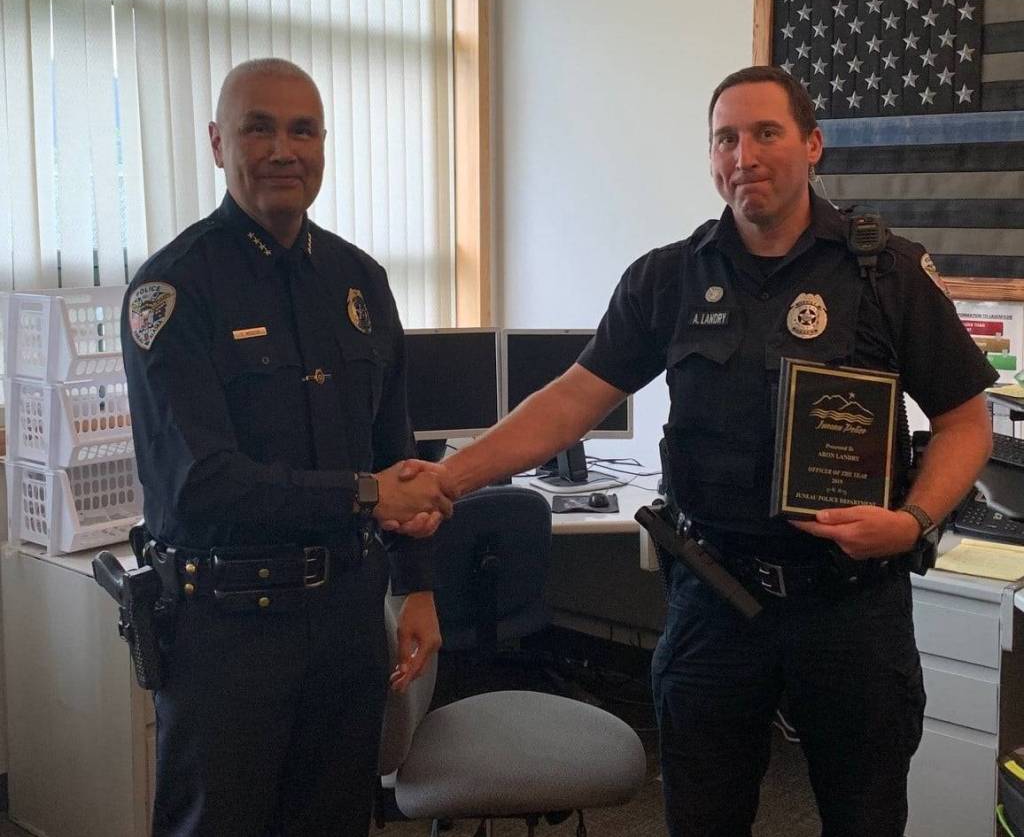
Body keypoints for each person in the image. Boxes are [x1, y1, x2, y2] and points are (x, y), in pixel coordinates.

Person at [398, 65, 996, 836]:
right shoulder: (669, 278)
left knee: (866, 815)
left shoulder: (887, 273)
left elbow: (965, 422)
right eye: (726, 138)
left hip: (849, 606)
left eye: (766, 133)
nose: (744, 155)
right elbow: (572, 401)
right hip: (715, 600)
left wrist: (912, 521)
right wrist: (448, 477)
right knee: (703, 817)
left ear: (813, 144)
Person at [122, 57, 452, 837]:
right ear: (217, 143)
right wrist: (367, 494)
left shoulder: (359, 280)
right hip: (227, 630)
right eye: (258, 129)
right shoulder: (173, 290)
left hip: (345, 618)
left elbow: (393, 446)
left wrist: (417, 585)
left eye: (302, 131)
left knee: (334, 821)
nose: (282, 150)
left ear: (323, 145)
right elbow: (202, 483)